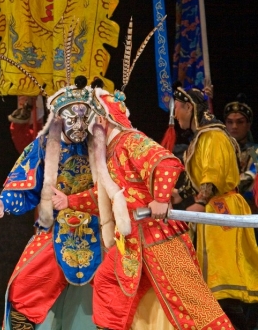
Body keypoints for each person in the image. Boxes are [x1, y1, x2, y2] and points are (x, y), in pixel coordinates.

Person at [50, 83, 233, 330]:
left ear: (103, 120)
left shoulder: (131, 140)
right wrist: (69, 201)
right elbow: (105, 196)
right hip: (133, 241)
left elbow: (166, 163)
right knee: (107, 282)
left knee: (192, 303)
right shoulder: (111, 152)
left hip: (158, 236)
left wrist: (160, 199)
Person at [0, 76, 100, 330]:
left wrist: (77, 201)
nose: (79, 125)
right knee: (23, 286)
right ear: (59, 119)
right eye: (73, 118)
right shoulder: (43, 145)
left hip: (97, 226)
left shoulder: (101, 145)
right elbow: (25, 184)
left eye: (84, 118)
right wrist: (4, 204)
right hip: (56, 228)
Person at [173, 84, 258, 329]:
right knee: (215, 287)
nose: (175, 115)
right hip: (215, 208)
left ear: (189, 107)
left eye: (177, 109)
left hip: (222, 209)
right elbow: (200, 175)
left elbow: (212, 172)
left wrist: (200, 201)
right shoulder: (203, 136)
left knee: (223, 285)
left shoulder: (213, 136)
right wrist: (179, 194)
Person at [224, 94, 258, 211]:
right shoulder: (220, 150)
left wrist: (223, 185)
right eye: (230, 122)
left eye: (240, 122)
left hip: (248, 208)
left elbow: (253, 175)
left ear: (248, 125)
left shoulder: (255, 151)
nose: (234, 126)